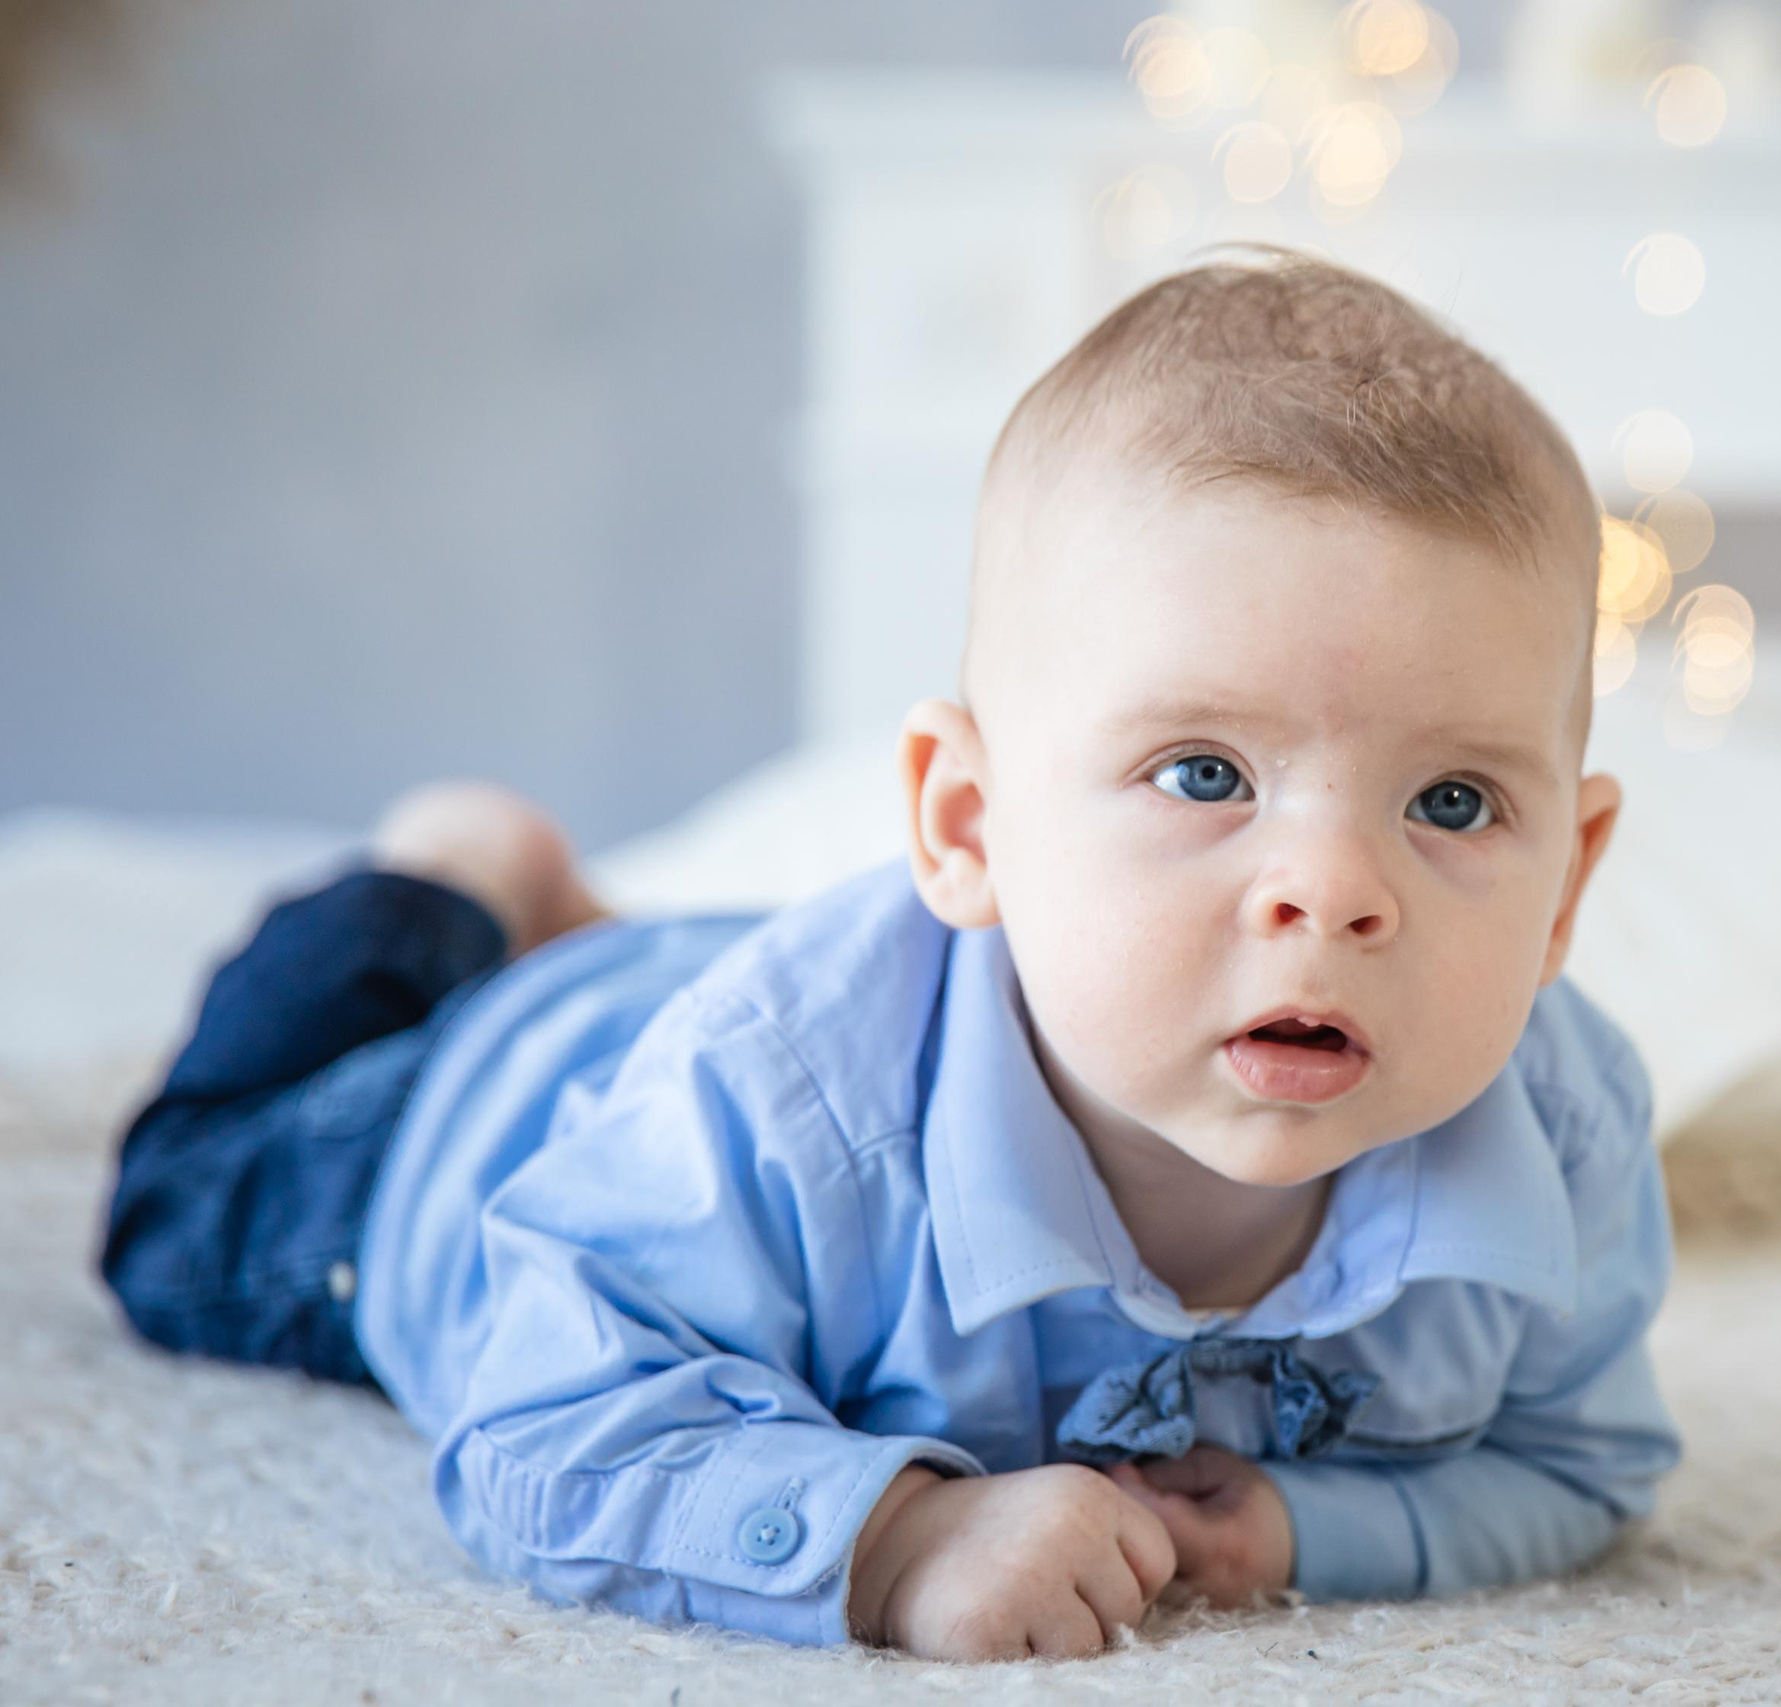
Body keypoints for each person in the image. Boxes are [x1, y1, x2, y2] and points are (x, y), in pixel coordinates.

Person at [97, 251, 1681, 1661]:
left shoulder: (1567, 1132)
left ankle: (584, 926)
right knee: (177, 1217)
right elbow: (535, 1418)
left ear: (1565, 888)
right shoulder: (778, 1095)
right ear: (971, 824)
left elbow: (1575, 1464)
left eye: (1453, 802)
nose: (1334, 895)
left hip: (801, 996)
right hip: (469, 1126)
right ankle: (454, 880)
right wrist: (895, 1541)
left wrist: (1304, 1532)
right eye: (1205, 774)